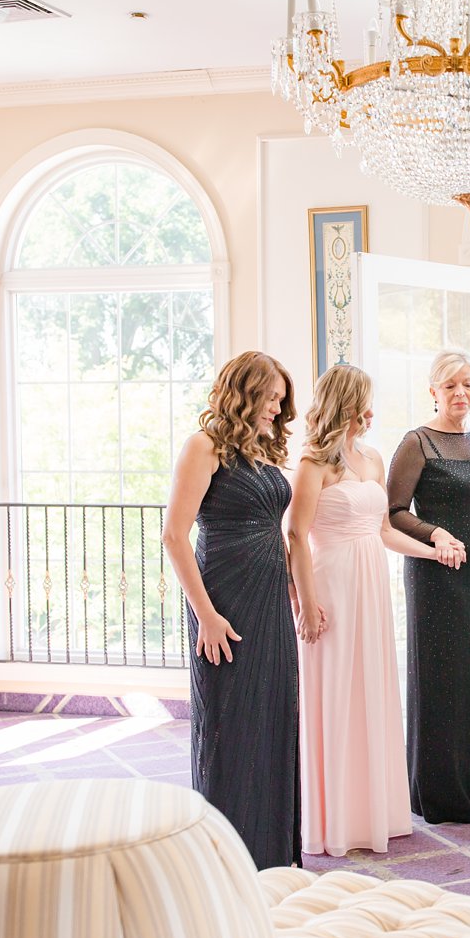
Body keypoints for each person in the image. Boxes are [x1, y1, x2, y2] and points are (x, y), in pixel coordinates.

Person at [288, 364, 457, 854]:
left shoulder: (373, 458)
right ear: (344, 403)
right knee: (336, 691)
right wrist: (305, 601)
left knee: (370, 689)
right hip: (332, 582)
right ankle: (333, 819)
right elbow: (295, 534)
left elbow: (383, 531)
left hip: (371, 586)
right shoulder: (312, 465)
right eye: (363, 401)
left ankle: (372, 813)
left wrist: (433, 549)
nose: (370, 412)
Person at [162, 350, 300, 869]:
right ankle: (222, 858)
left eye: (280, 402)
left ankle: (271, 854)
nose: (274, 410)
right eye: (268, 399)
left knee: (274, 718)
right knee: (230, 724)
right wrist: (206, 615)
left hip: (270, 602)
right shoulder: (204, 446)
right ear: (243, 392)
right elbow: (175, 537)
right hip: (224, 602)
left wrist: (290, 583)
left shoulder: (264, 449)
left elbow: (273, 524)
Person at [386, 350, 470, 824]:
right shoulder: (416, 442)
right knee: (440, 680)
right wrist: (435, 534)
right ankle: (439, 793)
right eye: (450, 386)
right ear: (433, 392)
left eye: (468, 385)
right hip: (434, 576)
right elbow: (395, 511)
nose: (461, 393)